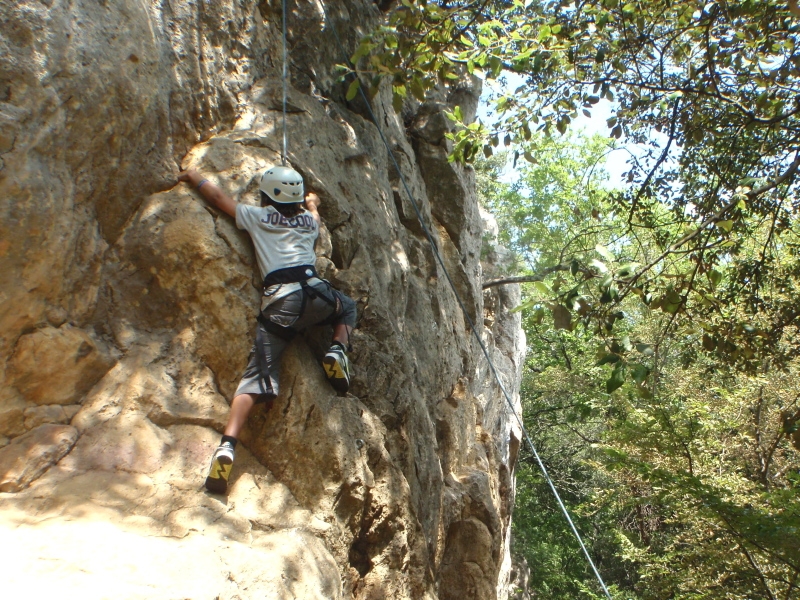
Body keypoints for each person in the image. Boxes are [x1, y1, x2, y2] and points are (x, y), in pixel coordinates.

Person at [177, 165, 356, 494]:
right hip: (315, 294)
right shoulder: (306, 221)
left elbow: (217, 197)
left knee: (255, 375)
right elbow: (315, 222)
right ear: (298, 200)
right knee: (347, 306)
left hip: (280, 303)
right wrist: (313, 204)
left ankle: (227, 445)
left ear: (267, 195)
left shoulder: (257, 217)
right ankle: (337, 350)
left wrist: (193, 175)